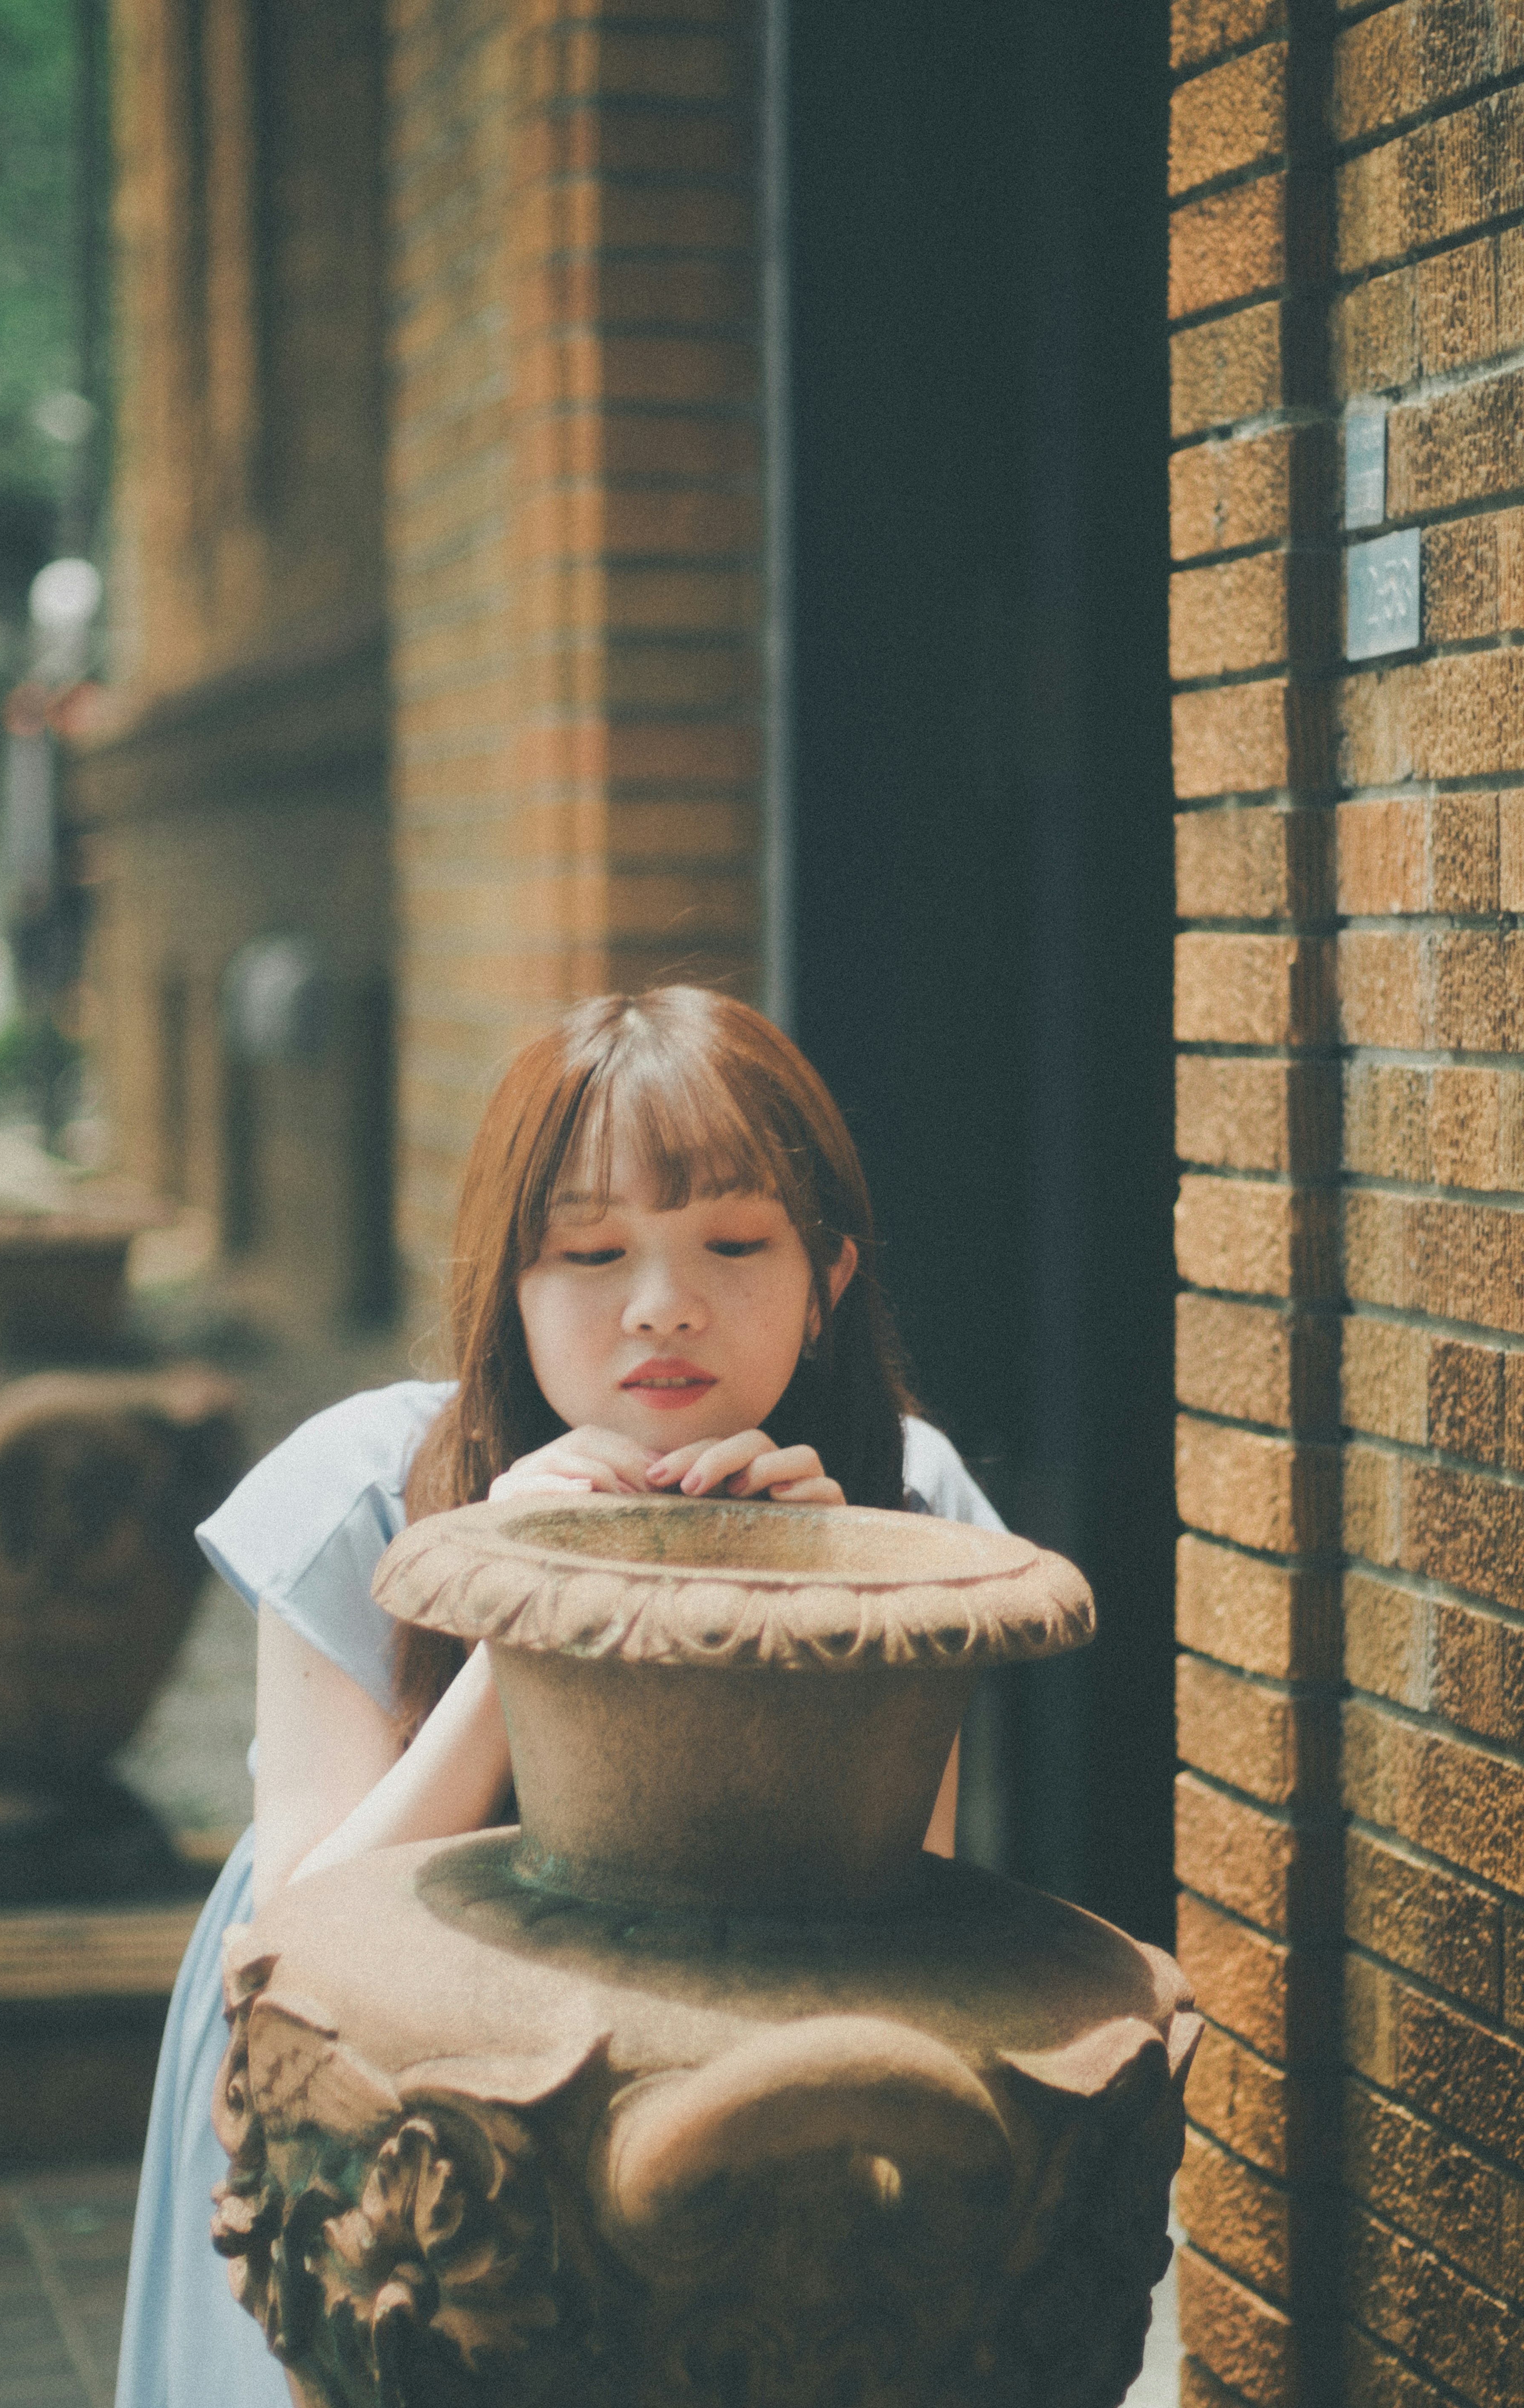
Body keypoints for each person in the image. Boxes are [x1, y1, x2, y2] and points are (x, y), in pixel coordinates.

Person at [114, 986, 1004, 2408]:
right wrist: (520, 1609)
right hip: (362, 2148)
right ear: (509, 1288)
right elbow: (292, 1957)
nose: (663, 1303)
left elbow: (905, 1926)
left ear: (831, 1278)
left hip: (709, 2130)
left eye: (733, 1241)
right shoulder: (360, 1489)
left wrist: (823, 1606)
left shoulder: (913, 1504)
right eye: (590, 1252)